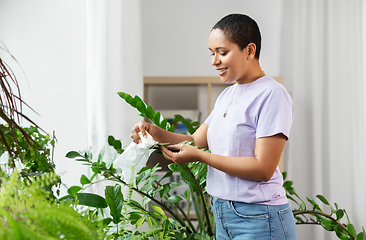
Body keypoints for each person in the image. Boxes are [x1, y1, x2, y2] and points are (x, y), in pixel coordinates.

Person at [131, 13, 297, 240]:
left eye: (222, 52)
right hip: (223, 215)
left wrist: (202, 157)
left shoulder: (273, 94)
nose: (214, 61)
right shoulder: (227, 95)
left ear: (249, 50)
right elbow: (195, 141)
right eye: (212, 53)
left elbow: (263, 169)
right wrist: (155, 132)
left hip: (260, 218)